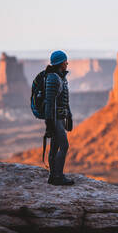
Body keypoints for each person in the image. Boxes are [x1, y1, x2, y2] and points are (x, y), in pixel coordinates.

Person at [44, 50, 74, 186]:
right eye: (65, 61)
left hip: (60, 117)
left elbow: (64, 101)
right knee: (64, 146)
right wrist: (49, 123)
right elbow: (49, 103)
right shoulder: (53, 78)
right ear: (60, 63)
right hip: (55, 119)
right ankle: (58, 176)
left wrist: (69, 115)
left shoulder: (61, 77)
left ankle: (53, 176)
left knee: (55, 146)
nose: (67, 63)